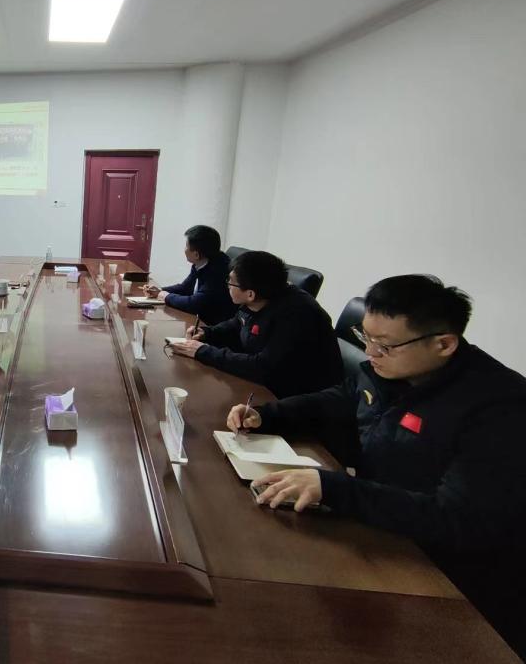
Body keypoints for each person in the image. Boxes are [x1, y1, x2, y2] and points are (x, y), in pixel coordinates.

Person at [229, 275, 526, 658]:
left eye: (384, 345)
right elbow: (340, 397)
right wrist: (268, 415)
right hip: (378, 529)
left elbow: (457, 519)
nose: (369, 352)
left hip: (450, 582)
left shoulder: (499, 408)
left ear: (444, 344)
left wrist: (334, 488)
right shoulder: (389, 369)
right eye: (364, 337)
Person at [169, 250, 342, 398]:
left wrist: (203, 351)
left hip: (297, 397)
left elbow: (263, 366)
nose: (227, 286)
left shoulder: (297, 315)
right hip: (267, 382)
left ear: (250, 294)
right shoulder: (261, 296)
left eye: (230, 282)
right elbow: (238, 323)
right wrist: (207, 333)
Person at [145, 225, 235, 324]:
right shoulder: (202, 262)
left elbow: (194, 304)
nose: (184, 249)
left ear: (196, 255)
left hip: (213, 325)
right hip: (200, 318)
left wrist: (166, 296)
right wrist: (160, 290)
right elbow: (186, 287)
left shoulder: (218, 271)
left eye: (186, 246)